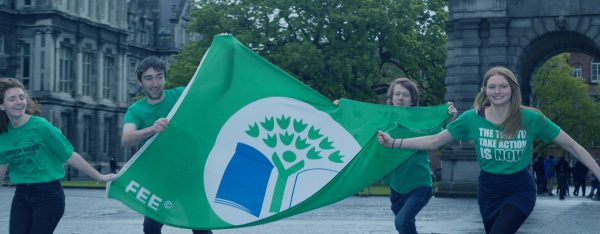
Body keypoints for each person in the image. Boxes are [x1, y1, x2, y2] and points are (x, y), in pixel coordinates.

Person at [376, 66, 600, 234]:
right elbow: (434, 141)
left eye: (503, 86)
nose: (498, 91)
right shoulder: (471, 119)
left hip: (519, 189)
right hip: (488, 191)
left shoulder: (530, 118)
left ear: (512, 89)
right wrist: (393, 142)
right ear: (485, 90)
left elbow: (571, 145)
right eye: (492, 86)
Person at [0, 77, 116, 234]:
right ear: (2, 105)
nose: (19, 102)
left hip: (48, 196)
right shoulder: (3, 135)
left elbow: (69, 155)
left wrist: (99, 176)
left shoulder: (41, 126)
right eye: (12, 99)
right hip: (21, 195)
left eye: (21, 97)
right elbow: (2, 166)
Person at [121, 56, 212, 234]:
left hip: (190, 176)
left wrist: (225, 50)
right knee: (151, 229)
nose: (155, 83)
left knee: (201, 228)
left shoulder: (180, 95)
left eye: (159, 76)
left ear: (165, 78)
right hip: (160, 180)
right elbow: (126, 139)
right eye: (148, 78)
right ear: (140, 81)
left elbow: (214, 88)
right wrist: (151, 129)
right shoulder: (136, 110)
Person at [379, 78, 457, 233]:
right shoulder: (383, 121)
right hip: (396, 187)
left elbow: (439, 135)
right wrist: (341, 108)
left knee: (401, 222)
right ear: (391, 98)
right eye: (397, 94)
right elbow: (358, 124)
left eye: (406, 95)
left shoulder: (422, 122)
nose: (401, 98)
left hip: (419, 186)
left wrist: (450, 118)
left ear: (413, 100)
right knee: (406, 227)